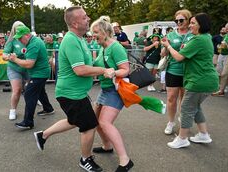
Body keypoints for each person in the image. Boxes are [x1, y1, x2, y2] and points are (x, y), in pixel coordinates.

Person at [33, 6, 114, 172]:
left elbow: (88, 64)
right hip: (71, 94)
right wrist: (103, 71)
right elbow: (80, 70)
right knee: (89, 125)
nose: (88, 19)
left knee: (74, 120)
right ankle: (85, 159)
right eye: (84, 17)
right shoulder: (70, 40)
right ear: (75, 23)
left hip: (76, 93)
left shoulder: (80, 39)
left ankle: (43, 135)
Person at [161, 13, 219, 149]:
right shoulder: (205, 37)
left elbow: (179, 57)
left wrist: (169, 46)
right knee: (195, 107)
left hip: (199, 81)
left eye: (193, 23)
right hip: (205, 80)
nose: (190, 25)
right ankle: (204, 134)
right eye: (191, 23)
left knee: (186, 108)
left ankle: (182, 138)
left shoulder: (198, 39)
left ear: (201, 25)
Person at [90, 16, 134, 172]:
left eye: (95, 32)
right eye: (92, 32)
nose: (92, 35)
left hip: (115, 91)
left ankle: (125, 160)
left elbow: (125, 69)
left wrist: (113, 72)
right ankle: (107, 146)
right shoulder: (102, 47)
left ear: (105, 32)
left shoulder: (115, 47)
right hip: (105, 89)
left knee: (105, 123)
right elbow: (96, 66)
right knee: (96, 121)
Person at [8, 25, 54, 129]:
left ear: (27, 35)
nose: (19, 40)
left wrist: (15, 59)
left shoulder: (33, 44)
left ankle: (28, 122)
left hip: (39, 73)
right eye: (18, 38)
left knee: (29, 93)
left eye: (20, 37)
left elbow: (29, 64)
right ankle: (48, 108)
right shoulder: (33, 41)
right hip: (41, 72)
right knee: (40, 91)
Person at [162, 9, 193, 135]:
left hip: (189, 71)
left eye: (181, 20)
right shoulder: (170, 35)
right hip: (173, 70)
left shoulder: (193, 35)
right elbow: (163, 54)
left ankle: (183, 120)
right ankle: (171, 122)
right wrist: (164, 47)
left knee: (185, 99)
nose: (178, 23)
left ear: (188, 20)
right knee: (171, 98)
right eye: (177, 21)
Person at [2, 21, 30, 120]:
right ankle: (13, 110)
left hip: (28, 67)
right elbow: (4, 55)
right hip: (14, 68)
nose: (19, 29)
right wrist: (10, 57)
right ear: (14, 29)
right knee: (17, 90)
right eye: (17, 28)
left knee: (33, 88)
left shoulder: (29, 39)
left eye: (21, 27)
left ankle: (37, 100)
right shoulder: (11, 41)